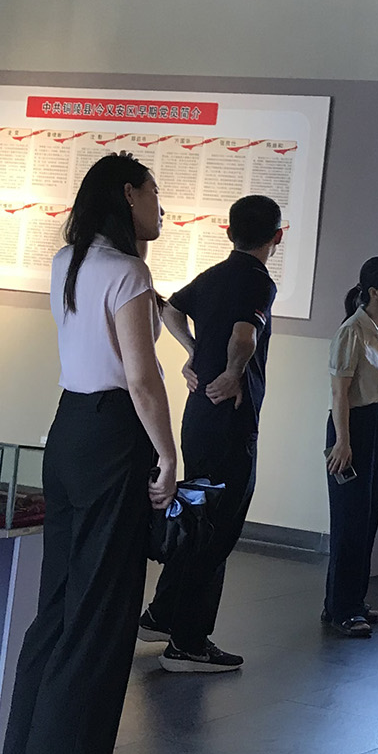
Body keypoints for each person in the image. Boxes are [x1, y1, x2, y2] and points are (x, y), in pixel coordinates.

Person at [0, 152, 179, 754]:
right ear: (128, 194)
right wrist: (168, 453)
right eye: (154, 193)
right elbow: (141, 377)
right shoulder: (127, 271)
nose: (160, 207)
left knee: (60, 601)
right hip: (112, 436)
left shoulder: (66, 262)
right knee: (100, 610)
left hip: (69, 428)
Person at [139, 195, 283, 673]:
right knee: (217, 529)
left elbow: (170, 311)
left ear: (228, 232)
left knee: (197, 516)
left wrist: (195, 352)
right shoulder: (258, 280)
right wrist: (233, 372)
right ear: (277, 237)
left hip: (199, 415)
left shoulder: (215, 274)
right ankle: (189, 642)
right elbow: (245, 335)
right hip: (230, 418)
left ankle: (163, 615)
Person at [323, 256, 378, 637]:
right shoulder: (352, 332)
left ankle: (350, 601)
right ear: (375, 292)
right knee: (349, 522)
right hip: (354, 426)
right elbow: (339, 393)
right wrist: (342, 442)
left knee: (369, 518)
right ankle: (341, 608)